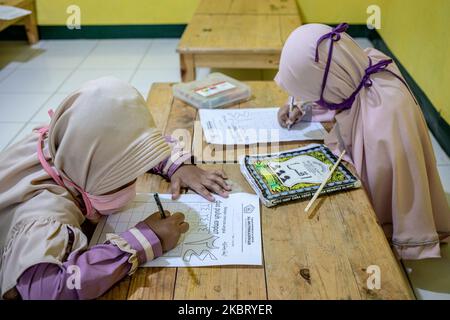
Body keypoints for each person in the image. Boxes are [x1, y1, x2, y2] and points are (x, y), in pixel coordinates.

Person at [0, 77, 231, 299]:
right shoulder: (44, 212)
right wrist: (145, 241)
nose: (134, 180)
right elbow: (44, 290)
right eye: (124, 176)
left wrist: (177, 166)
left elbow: (126, 142)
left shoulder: (70, 138)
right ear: (96, 174)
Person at [276, 23, 450, 260]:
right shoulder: (360, 64)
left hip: (387, 216)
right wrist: (301, 107)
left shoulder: (385, 120)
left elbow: (376, 192)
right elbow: (340, 94)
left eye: (312, 94)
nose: (314, 100)